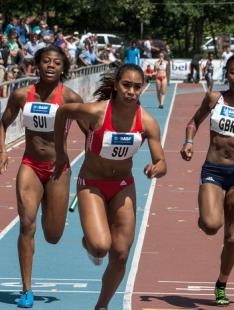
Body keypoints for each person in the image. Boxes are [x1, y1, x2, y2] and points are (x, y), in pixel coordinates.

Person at [53, 63, 167, 310]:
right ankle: (88, 242)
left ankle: (102, 305)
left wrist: (157, 167)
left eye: (137, 87)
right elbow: (62, 112)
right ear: (116, 85)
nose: (131, 91)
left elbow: (162, 161)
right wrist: (61, 152)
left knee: (121, 253)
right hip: (91, 183)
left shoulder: (147, 122)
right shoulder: (95, 112)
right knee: (100, 246)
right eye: (126, 85)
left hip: (123, 185)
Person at [180, 54, 234, 306]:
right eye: (233, 72)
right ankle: (206, 215)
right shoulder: (213, 98)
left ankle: (221, 284)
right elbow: (193, 122)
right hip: (214, 170)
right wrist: (188, 142)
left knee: (232, 237)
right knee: (211, 225)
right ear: (226, 73)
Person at [0, 45, 84, 308]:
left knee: (53, 235)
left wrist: (95, 168)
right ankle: (27, 289)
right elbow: (3, 123)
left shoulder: (70, 98)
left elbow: (93, 132)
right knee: (27, 224)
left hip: (58, 169)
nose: (50, 65)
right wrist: (2, 149)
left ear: (63, 69)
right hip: (30, 165)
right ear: (37, 65)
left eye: (56, 63)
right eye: (45, 61)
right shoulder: (22, 95)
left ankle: (52, 204)